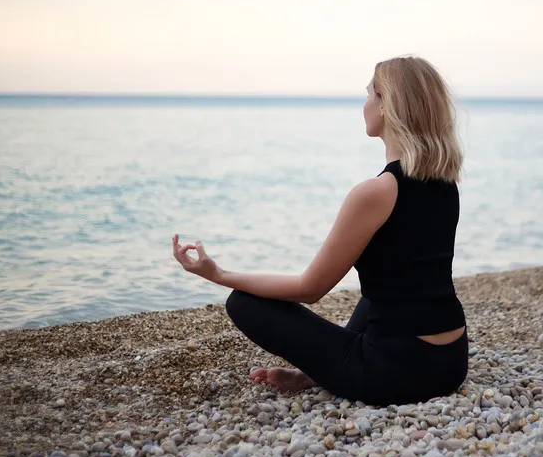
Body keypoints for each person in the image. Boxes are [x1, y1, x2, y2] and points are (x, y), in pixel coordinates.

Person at [172, 55, 468, 406]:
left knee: (243, 302)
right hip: (451, 363)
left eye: (370, 95)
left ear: (387, 105)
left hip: (395, 374)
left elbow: (310, 288)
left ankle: (326, 372)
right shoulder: (445, 183)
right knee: (384, 289)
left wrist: (218, 273)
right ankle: (316, 373)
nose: (365, 104)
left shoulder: (375, 192)